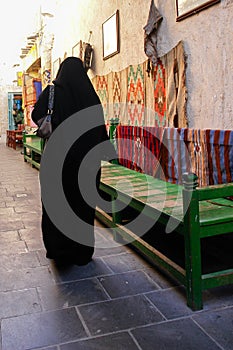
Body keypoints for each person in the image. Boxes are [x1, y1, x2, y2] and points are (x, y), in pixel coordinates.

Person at [32, 57, 115, 266]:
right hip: (86, 164)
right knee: (82, 206)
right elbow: (99, 132)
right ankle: (81, 253)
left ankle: (58, 250)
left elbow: (36, 114)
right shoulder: (90, 96)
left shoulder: (53, 92)